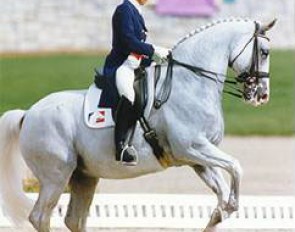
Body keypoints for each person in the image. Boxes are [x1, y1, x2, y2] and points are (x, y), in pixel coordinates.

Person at [103, 0, 170, 166]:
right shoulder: (124, 10)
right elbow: (129, 42)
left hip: (135, 64)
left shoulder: (136, 11)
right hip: (121, 66)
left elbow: (138, 49)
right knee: (129, 95)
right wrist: (153, 50)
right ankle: (121, 147)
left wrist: (153, 60)